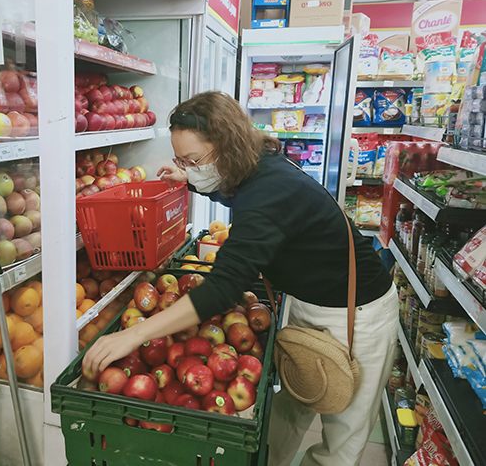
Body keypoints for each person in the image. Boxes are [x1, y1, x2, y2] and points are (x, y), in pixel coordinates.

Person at [83, 91, 398, 466]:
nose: (190, 167)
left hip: (356, 312)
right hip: (305, 301)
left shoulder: (270, 190)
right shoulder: (256, 166)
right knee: (292, 405)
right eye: (181, 159)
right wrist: (190, 177)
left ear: (227, 147)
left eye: (195, 159)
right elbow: (237, 195)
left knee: (343, 432)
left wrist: (134, 334)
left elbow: (223, 288)